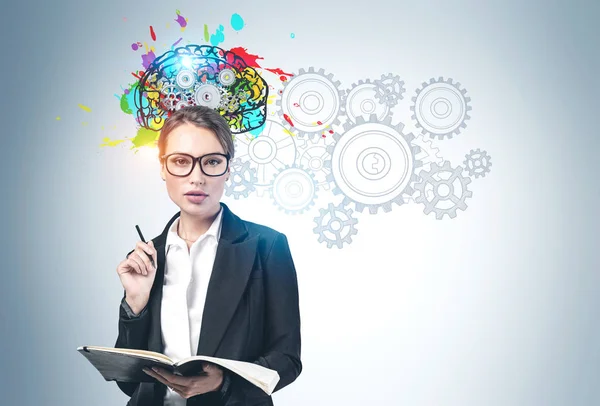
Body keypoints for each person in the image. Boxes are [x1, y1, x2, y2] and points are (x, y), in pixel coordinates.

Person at [113, 106, 302, 406]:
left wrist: (225, 384)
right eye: (180, 162)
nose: (196, 177)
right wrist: (135, 307)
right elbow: (128, 385)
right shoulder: (146, 258)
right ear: (163, 168)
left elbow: (288, 360)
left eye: (212, 162)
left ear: (228, 169)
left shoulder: (267, 246)